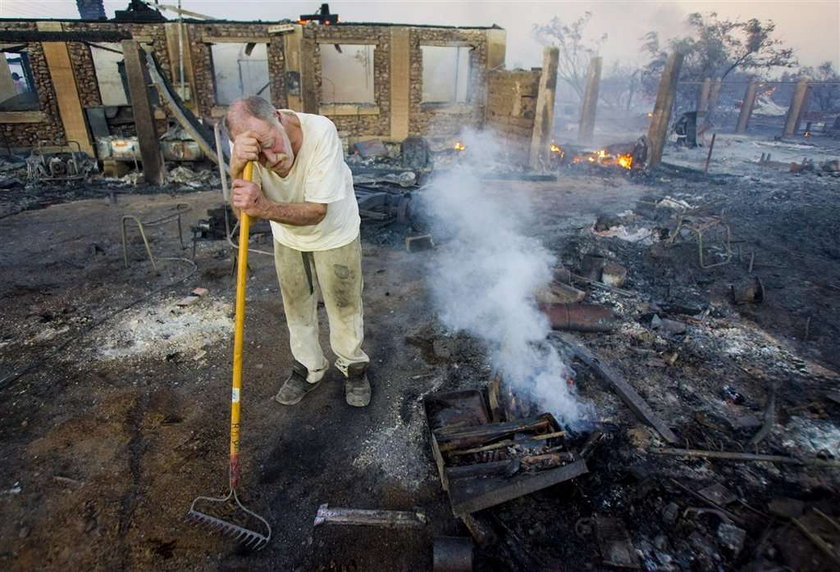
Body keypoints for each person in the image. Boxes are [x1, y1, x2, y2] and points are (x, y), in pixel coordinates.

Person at [224, 96, 371, 407]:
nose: (271, 158)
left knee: (344, 307)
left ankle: (353, 367)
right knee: (296, 308)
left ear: (278, 116)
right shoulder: (244, 147)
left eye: (271, 143)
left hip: (335, 233)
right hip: (288, 237)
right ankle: (308, 368)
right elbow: (244, 215)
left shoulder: (321, 133)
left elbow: (317, 211)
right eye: (258, 155)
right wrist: (236, 167)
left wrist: (262, 206)